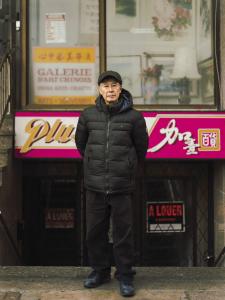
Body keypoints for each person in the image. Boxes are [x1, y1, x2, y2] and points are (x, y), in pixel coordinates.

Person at [75, 70, 148, 297]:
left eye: (114, 85)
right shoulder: (87, 115)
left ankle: (125, 276)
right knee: (94, 233)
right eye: (105, 86)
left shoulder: (134, 118)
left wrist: (126, 167)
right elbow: (81, 145)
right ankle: (100, 272)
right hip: (95, 185)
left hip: (121, 186)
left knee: (123, 233)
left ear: (120, 88)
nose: (110, 90)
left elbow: (141, 149)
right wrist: (93, 166)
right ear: (99, 90)